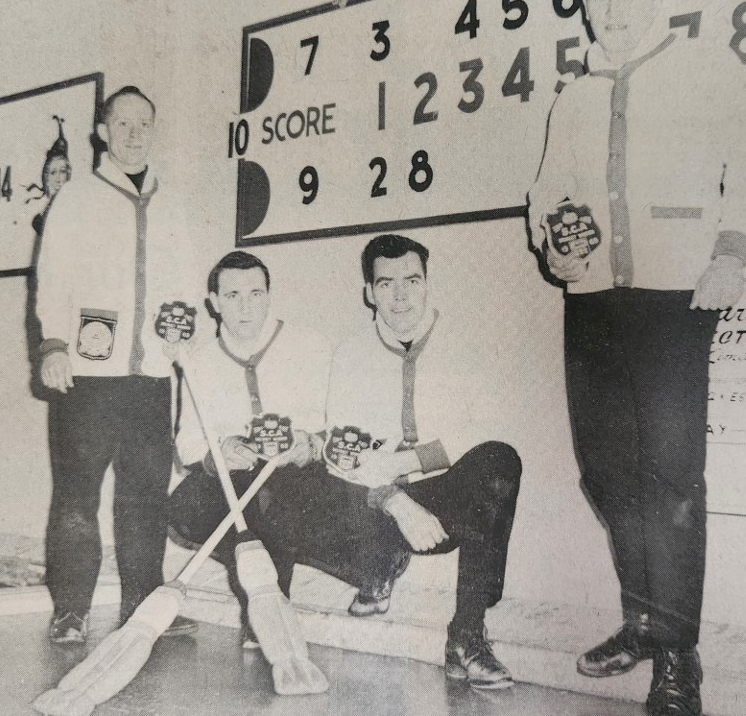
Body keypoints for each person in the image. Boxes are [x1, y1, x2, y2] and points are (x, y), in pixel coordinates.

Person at [527, 0, 746, 716]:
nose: (614, 8)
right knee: (609, 474)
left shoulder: (703, 71)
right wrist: (554, 242)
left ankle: (678, 658)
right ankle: (643, 622)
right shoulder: (573, 96)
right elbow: (547, 191)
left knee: (672, 481)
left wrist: (730, 251)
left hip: (672, 300)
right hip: (592, 302)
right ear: (585, 5)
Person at [35, 85, 202, 643]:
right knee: (78, 494)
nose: (134, 133)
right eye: (122, 123)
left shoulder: (172, 201)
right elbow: (53, 275)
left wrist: (183, 337)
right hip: (87, 376)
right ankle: (71, 610)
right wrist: (54, 345)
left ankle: (142, 607)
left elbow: (182, 284)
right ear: (102, 131)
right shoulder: (77, 196)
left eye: (144, 124)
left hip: (151, 377)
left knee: (145, 499)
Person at [324, 234, 522, 690]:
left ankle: (467, 635)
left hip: (443, 494)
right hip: (380, 502)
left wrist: (406, 461)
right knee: (326, 486)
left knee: (500, 461)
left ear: (427, 284)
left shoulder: (463, 341)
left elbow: (486, 427)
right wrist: (394, 498)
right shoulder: (351, 353)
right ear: (369, 293)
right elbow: (341, 455)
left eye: (412, 280)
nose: (400, 296)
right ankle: (377, 568)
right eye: (386, 283)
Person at [166, 250, 351, 650]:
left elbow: (334, 425)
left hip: (299, 478)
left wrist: (309, 444)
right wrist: (217, 452)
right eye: (232, 296)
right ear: (213, 302)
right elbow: (187, 441)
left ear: (269, 295)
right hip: (236, 480)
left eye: (256, 293)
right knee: (183, 506)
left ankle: (265, 611)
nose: (246, 307)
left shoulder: (309, 345)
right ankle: (263, 602)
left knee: (270, 498)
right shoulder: (197, 360)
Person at [29, 116, 72, 235]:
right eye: (53, 173)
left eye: (62, 172)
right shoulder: (40, 217)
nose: (58, 179)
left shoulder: (72, 212)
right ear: (46, 178)